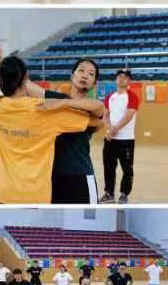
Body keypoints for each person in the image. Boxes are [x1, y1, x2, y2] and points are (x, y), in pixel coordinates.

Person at [25, 58, 104, 204]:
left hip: (81, 175)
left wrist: (64, 103)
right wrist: (1, 60)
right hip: (53, 176)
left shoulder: (90, 106)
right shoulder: (57, 98)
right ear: (72, 76)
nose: (85, 75)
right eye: (81, 70)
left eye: (91, 74)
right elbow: (26, 85)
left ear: (94, 84)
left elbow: (99, 108)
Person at [100, 69, 139, 204]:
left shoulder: (132, 96)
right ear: (116, 79)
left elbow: (129, 115)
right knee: (109, 167)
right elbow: (105, 115)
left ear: (129, 81)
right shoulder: (110, 96)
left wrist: (115, 129)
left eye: (125, 77)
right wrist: (109, 129)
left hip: (126, 140)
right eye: (119, 76)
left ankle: (124, 194)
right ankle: (109, 194)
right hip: (110, 139)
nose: (122, 79)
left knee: (127, 169)